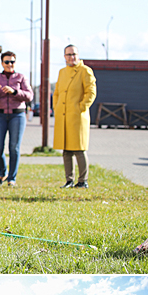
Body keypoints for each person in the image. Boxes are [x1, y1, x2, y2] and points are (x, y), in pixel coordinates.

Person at [0, 49, 33, 187]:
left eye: (12, 61)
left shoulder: (21, 78)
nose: (9, 64)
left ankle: (12, 178)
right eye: (7, 61)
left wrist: (15, 91)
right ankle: (3, 172)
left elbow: (29, 96)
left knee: (14, 147)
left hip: (17, 115)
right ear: (2, 63)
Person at [53, 45, 96, 190]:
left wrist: (81, 107)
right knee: (66, 150)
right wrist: (56, 107)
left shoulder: (85, 71)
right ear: (64, 56)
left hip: (77, 116)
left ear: (78, 55)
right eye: (68, 54)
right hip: (63, 116)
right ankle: (69, 180)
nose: (71, 57)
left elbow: (91, 92)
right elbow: (57, 92)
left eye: (74, 54)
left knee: (79, 149)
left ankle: (82, 180)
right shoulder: (62, 72)